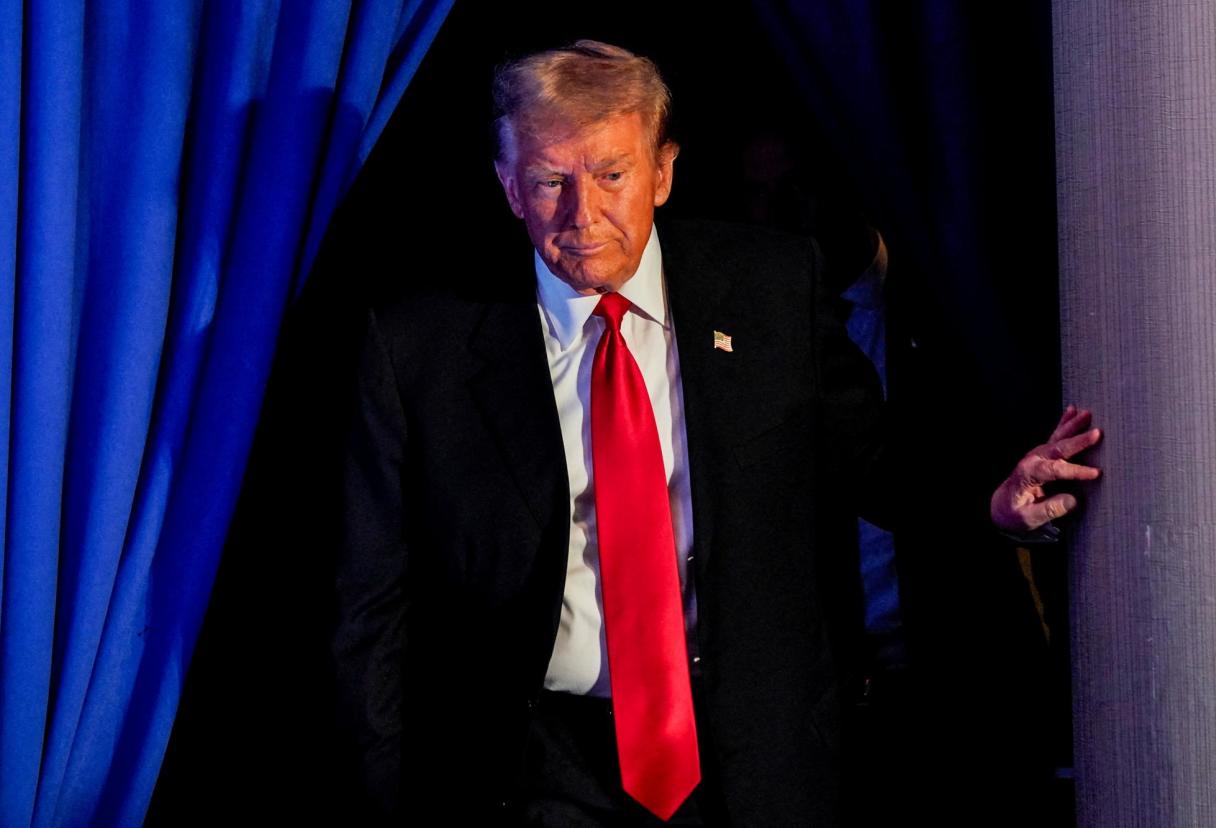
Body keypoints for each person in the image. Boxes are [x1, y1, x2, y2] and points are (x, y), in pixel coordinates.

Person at [331, 40, 1100, 826]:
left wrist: (992, 503)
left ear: (662, 172)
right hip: (534, 767)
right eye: (550, 180)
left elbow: (871, 457)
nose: (582, 214)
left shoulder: (768, 288)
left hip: (750, 754)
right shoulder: (420, 347)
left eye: (612, 175)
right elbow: (372, 602)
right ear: (508, 187)